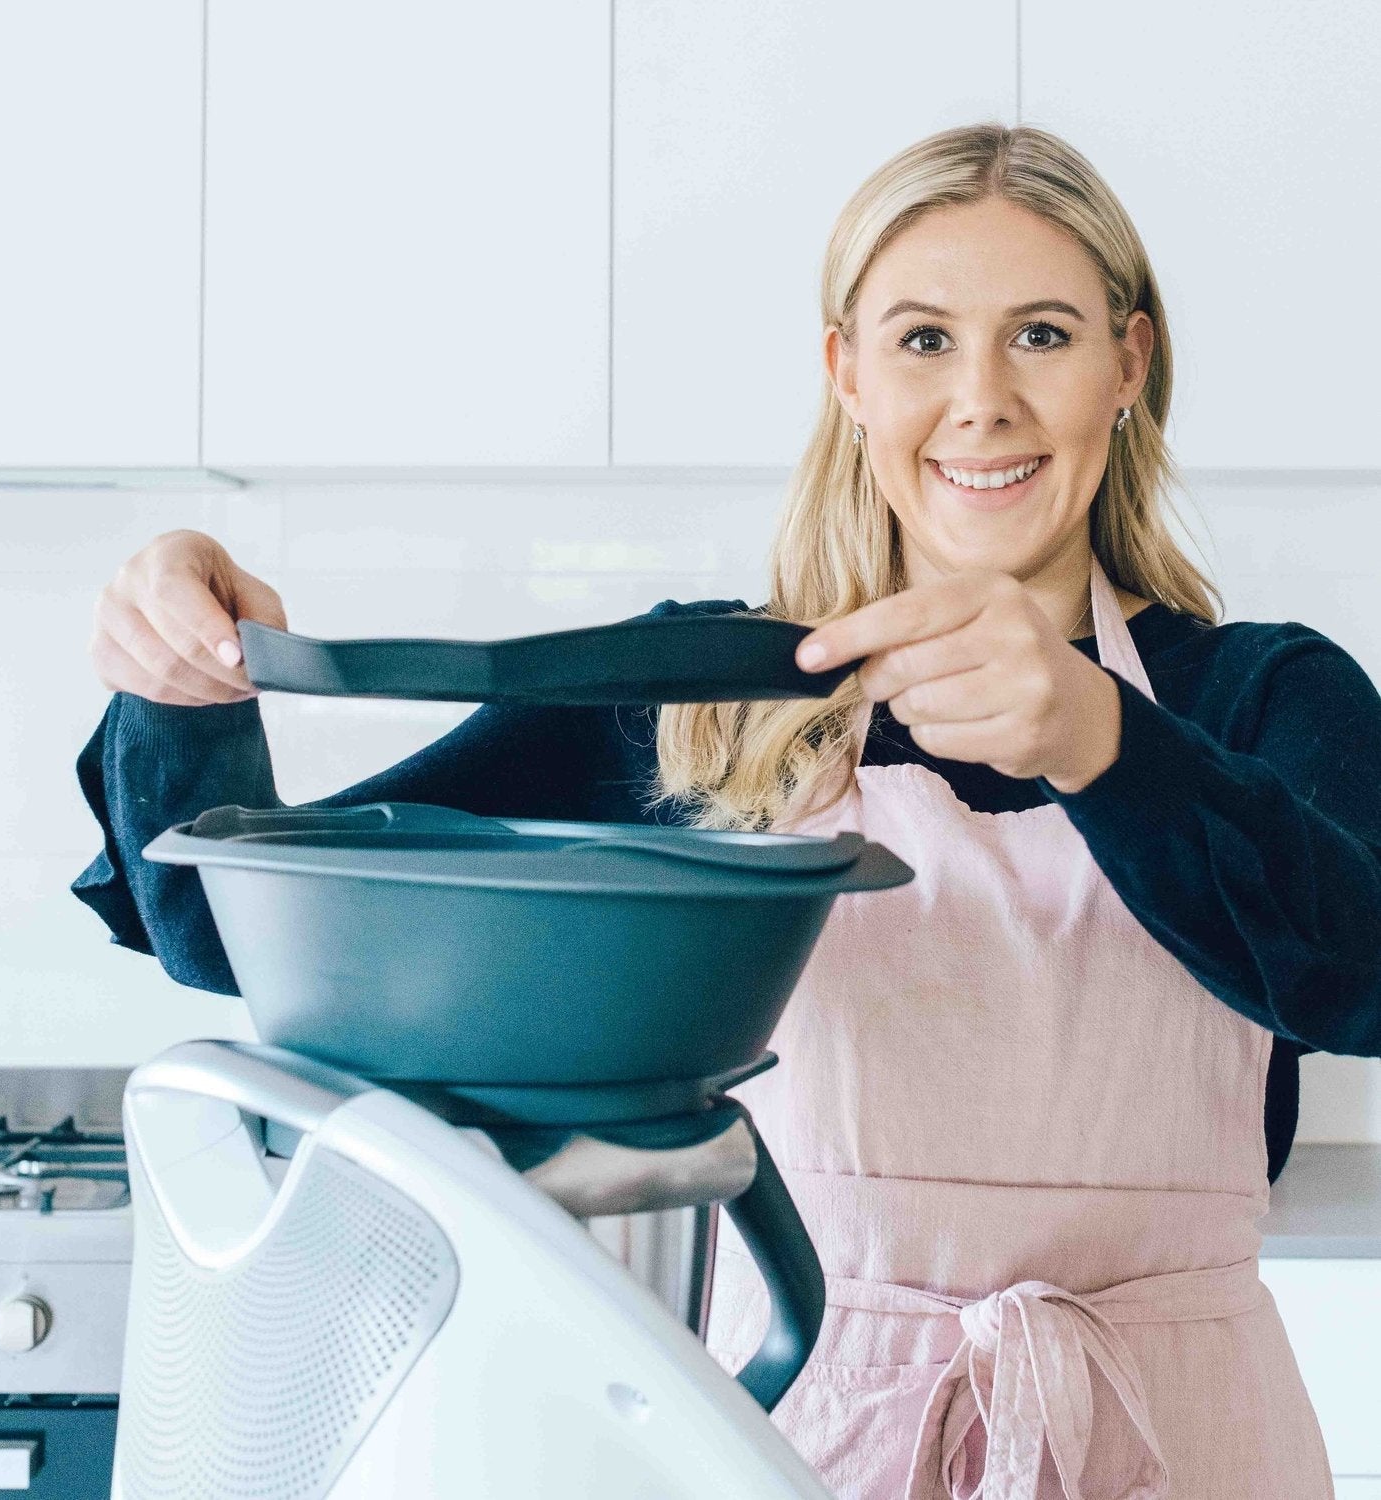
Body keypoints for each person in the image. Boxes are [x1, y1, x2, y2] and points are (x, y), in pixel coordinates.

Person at [72, 122, 1380, 1496]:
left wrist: (1107, 742)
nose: (983, 400)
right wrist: (182, 695)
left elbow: (1359, 977)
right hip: (796, 1439)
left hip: (1181, 1443)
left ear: (1131, 363)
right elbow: (230, 932)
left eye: (1042, 335)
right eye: (924, 339)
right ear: (847, 376)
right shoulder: (701, 695)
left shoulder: (1256, 700)